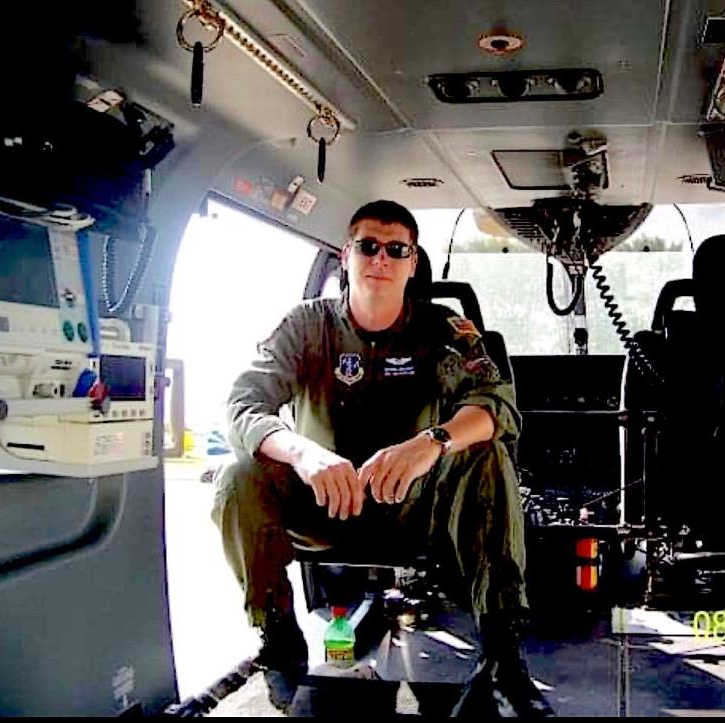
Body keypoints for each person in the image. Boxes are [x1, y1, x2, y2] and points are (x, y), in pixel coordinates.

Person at [211, 200, 553, 716]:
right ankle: (276, 632)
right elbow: (242, 404)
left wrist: (431, 442)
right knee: (237, 473)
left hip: (417, 514)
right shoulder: (306, 326)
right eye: (368, 246)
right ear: (347, 254)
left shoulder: (445, 330)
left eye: (397, 249)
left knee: (486, 452)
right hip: (322, 507)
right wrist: (303, 453)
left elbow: (496, 406)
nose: (381, 258)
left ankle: (503, 653)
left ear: (412, 263)